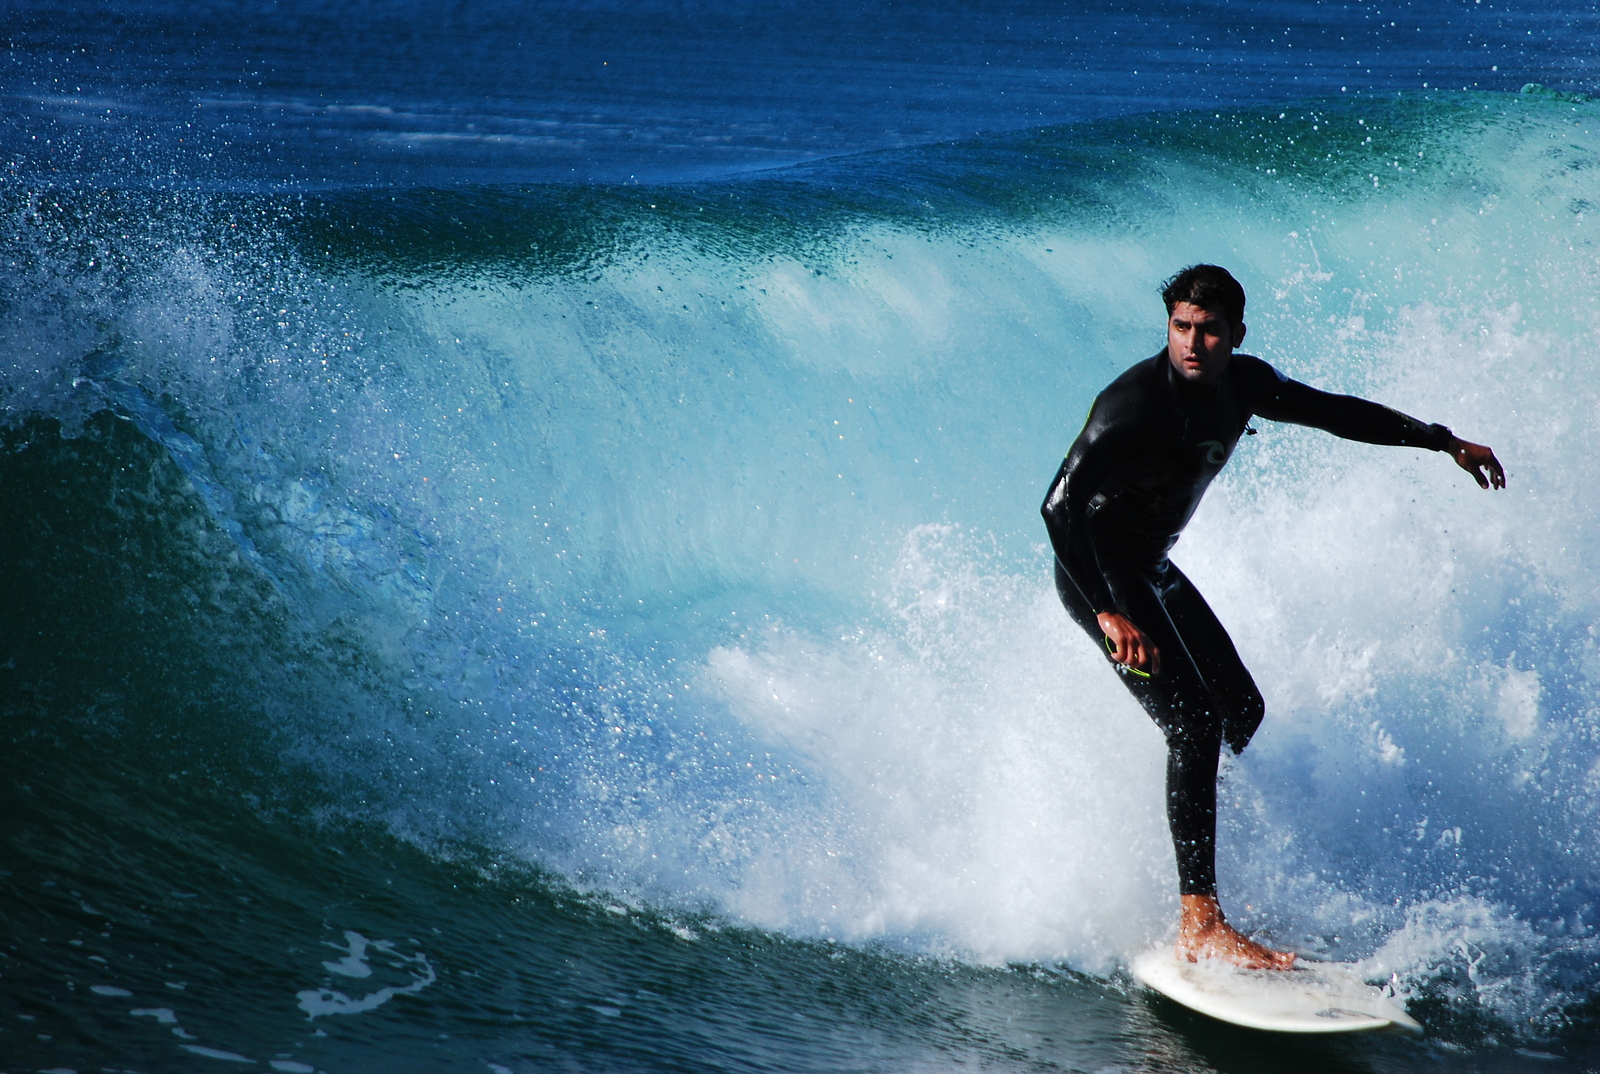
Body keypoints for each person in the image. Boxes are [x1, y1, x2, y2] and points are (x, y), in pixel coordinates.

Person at [1041, 265, 1504, 969]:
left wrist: (1444, 442)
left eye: (1208, 330)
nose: (1191, 343)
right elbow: (1058, 506)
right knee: (1194, 724)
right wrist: (1107, 610)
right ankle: (1199, 921)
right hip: (1099, 576)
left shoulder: (1246, 385)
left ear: (1236, 335)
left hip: (1150, 566)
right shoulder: (1131, 403)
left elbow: (1338, 413)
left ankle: (1198, 837)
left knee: (1239, 711)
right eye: (1180, 327)